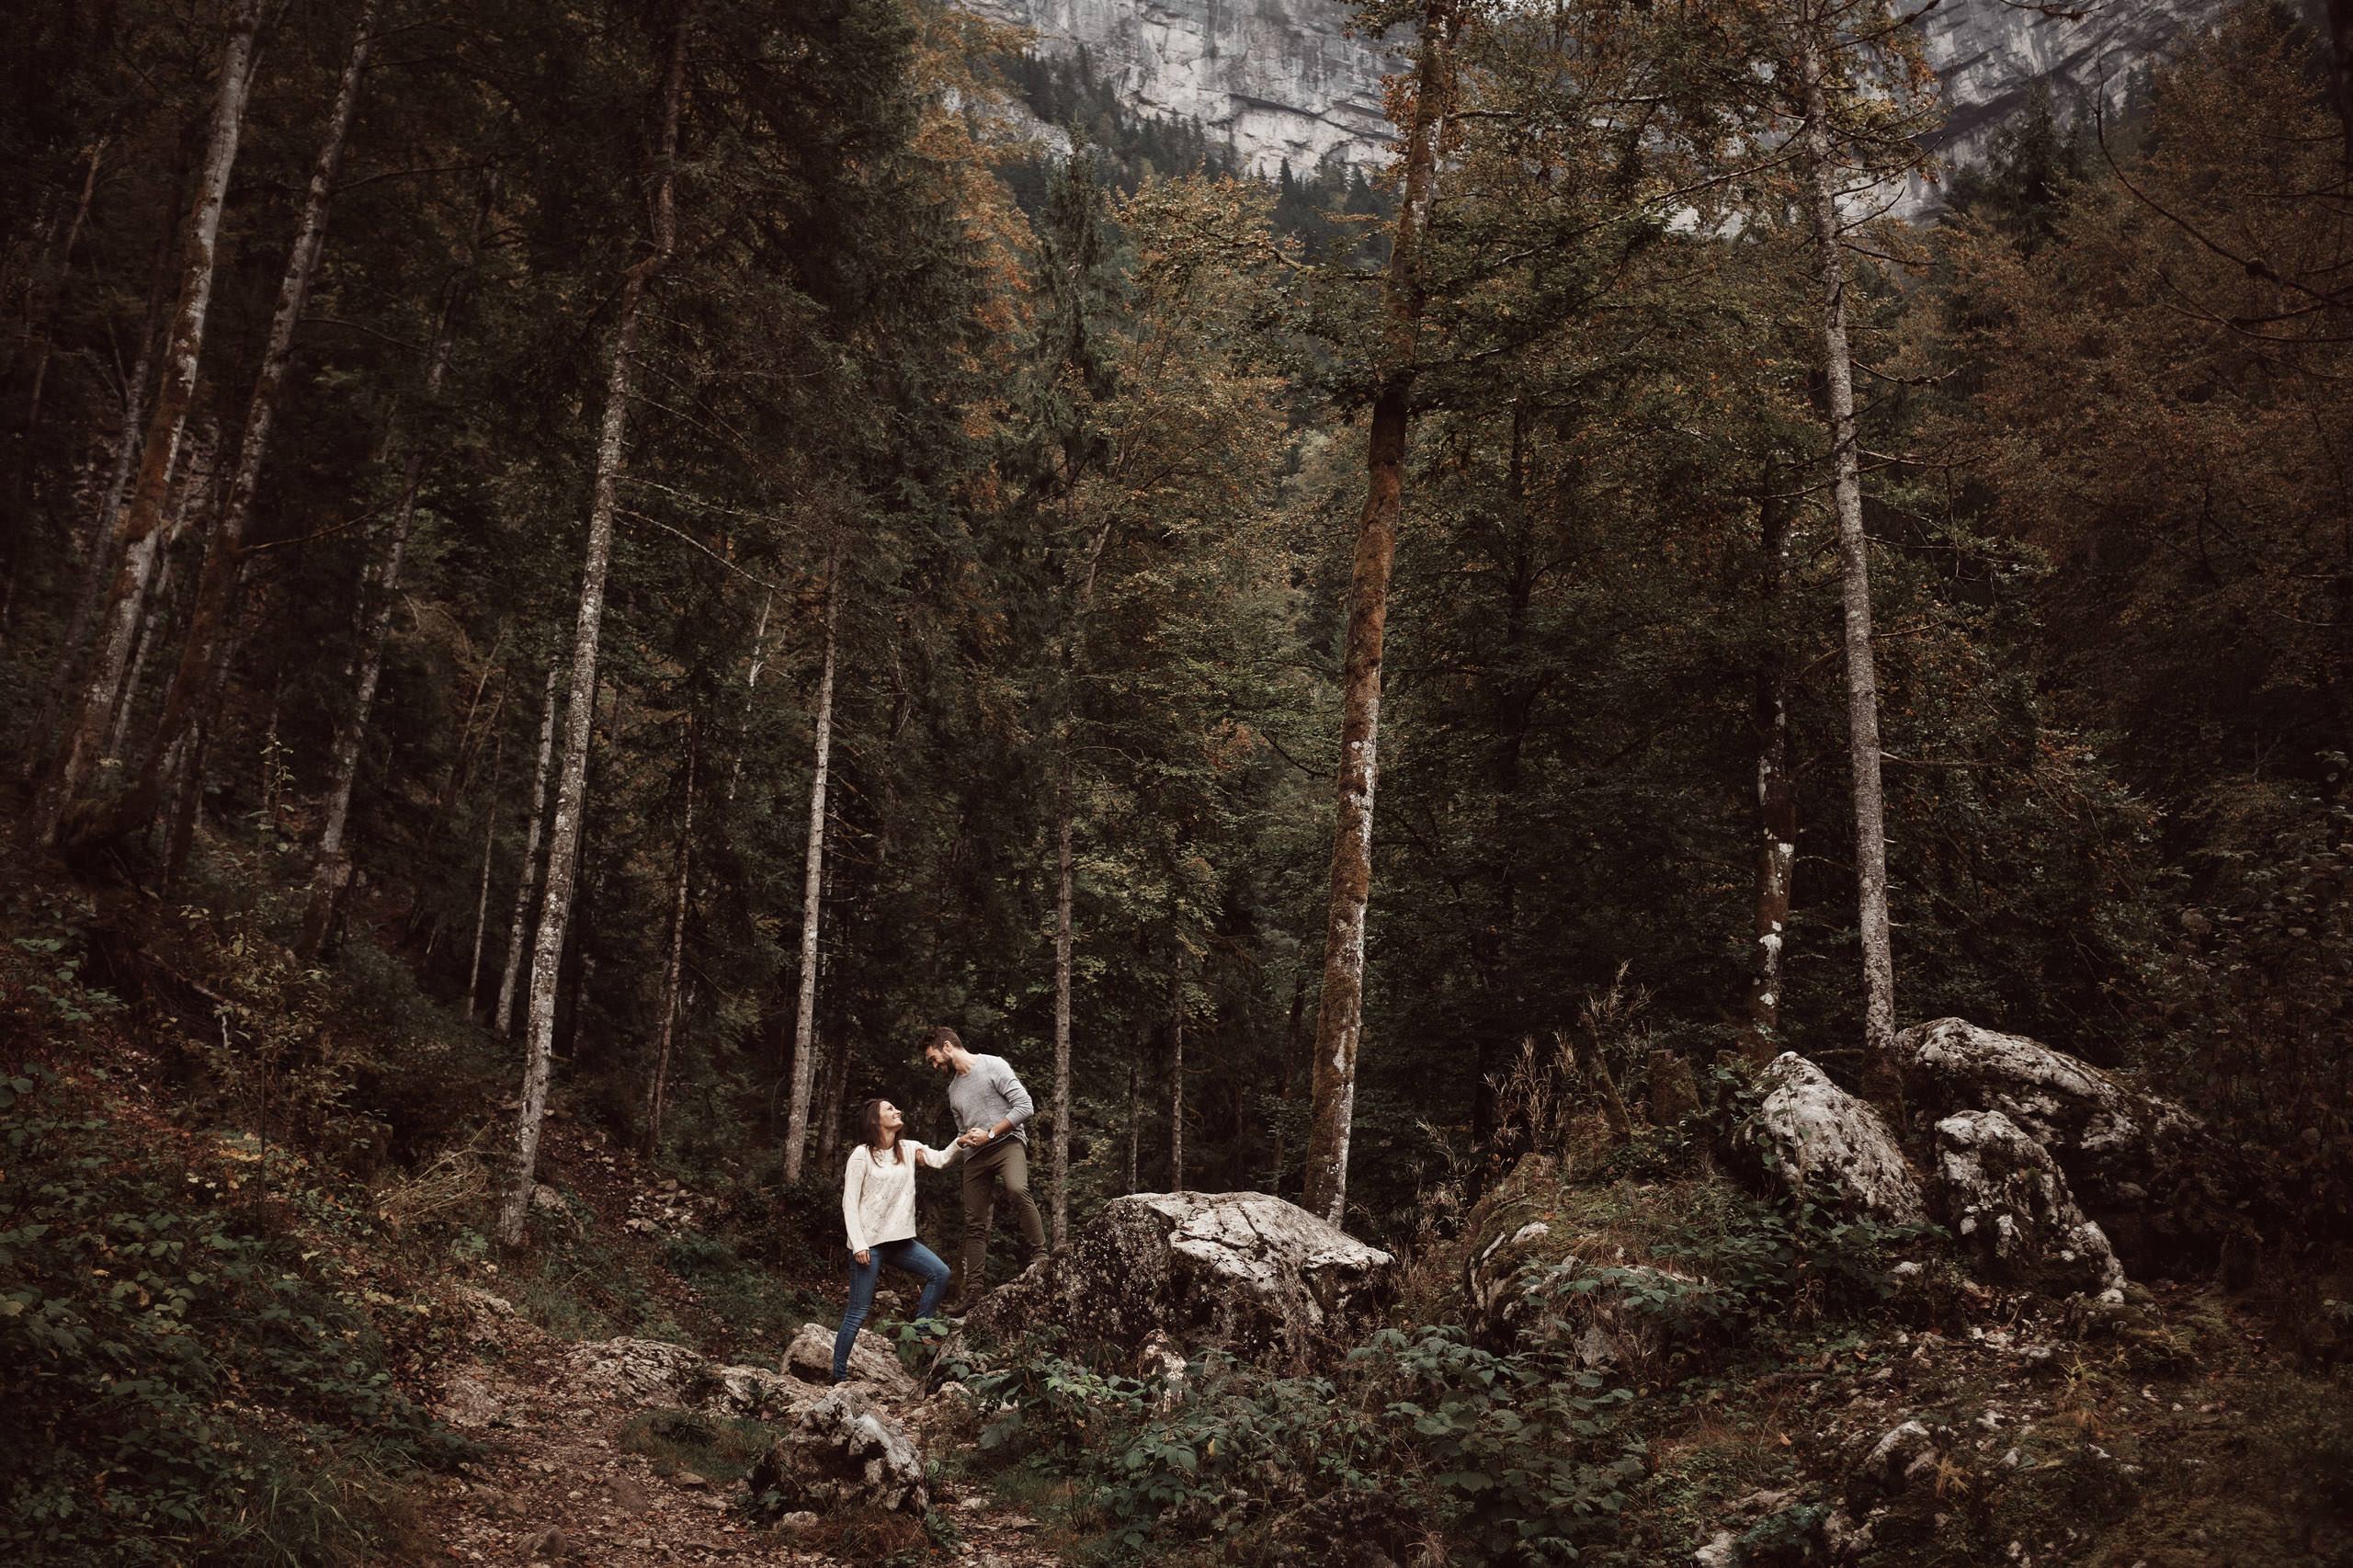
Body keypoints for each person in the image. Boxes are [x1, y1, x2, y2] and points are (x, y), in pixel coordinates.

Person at [922, 1025, 1046, 1312]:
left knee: (1017, 1188)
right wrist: (965, 1137)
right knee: (974, 1222)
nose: (934, 1064)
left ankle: (1041, 1258)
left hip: (1007, 1144)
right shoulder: (953, 1090)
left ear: (948, 1047)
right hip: (975, 1157)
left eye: (933, 1058)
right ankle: (974, 1292)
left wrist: (991, 1132)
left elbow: (1025, 1106)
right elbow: (963, 1130)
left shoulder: (993, 1065)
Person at [834, 1096, 958, 1383]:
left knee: (940, 1273)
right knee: (857, 1312)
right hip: (869, 1245)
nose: (897, 1110)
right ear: (875, 1120)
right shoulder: (861, 1155)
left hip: (901, 1241)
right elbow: (849, 1202)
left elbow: (939, 1159)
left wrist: (960, 1142)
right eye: (889, 1108)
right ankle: (838, 1376)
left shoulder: (909, 1148)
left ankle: (921, 1331)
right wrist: (859, 1243)